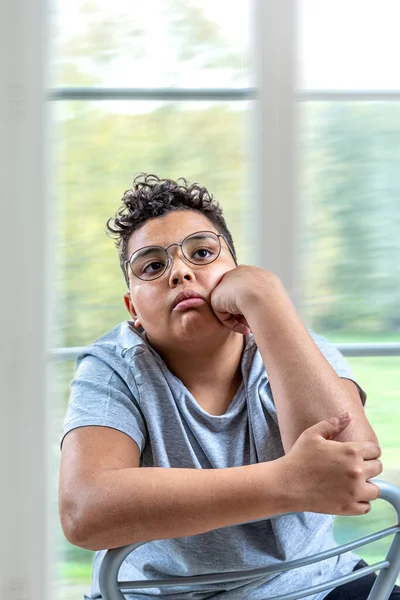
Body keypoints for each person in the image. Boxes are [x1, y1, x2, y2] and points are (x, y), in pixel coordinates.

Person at [58, 173, 399, 600]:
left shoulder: (292, 343)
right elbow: (83, 512)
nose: (180, 271)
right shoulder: (113, 368)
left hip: (318, 586)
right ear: (133, 309)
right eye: (152, 266)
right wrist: (285, 482)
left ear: (235, 274)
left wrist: (266, 298)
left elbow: (353, 469)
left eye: (201, 252)